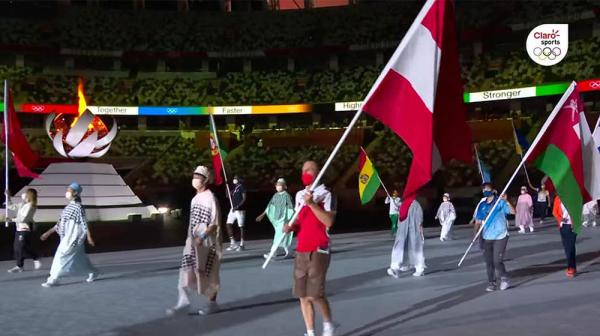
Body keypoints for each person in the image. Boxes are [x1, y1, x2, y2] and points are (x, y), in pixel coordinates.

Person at [283, 161, 337, 336]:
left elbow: (328, 222)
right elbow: (297, 221)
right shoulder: (299, 195)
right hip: (301, 249)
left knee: (315, 294)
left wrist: (312, 204)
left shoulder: (327, 194)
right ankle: (310, 332)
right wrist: (290, 226)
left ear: (318, 172)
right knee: (303, 295)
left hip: (319, 249)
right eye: (303, 170)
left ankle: (328, 324)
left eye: (309, 169)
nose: (305, 172)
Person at [167, 165, 223, 315]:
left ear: (205, 180)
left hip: (207, 243)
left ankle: (212, 304)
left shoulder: (211, 198)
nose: (195, 179)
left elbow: (215, 222)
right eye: (194, 176)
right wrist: (191, 239)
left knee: (209, 272)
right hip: (192, 242)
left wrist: (202, 236)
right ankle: (183, 302)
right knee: (185, 270)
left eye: (198, 177)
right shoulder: (195, 199)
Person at [40, 182, 98, 287]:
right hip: (67, 237)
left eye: (69, 190)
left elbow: (84, 222)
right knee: (80, 258)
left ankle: (53, 278)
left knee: (61, 256)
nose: (66, 192)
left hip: (75, 237)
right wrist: (48, 233)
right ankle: (93, 272)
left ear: (75, 193)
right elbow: (59, 223)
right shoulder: (67, 207)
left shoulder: (79, 207)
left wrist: (89, 237)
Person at [474, 183, 515, 292]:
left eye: (487, 189)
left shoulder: (499, 202)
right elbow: (478, 221)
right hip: (487, 236)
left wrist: (506, 201)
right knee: (489, 261)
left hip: (501, 235)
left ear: (493, 190)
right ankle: (491, 283)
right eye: (483, 189)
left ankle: (505, 278)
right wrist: (476, 234)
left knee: (497, 260)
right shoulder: (482, 205)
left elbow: (513, 212)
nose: (485, 191)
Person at [256, 178, 294, 259]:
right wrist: (262, 215)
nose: (278, 186)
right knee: (281, 235)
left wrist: (291, 219)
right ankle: (289, 251)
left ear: (284, 186)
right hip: (277, 219)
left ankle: (273, 252)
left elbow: (291, 208)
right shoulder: (275, 195)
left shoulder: (287, 196)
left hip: (283, 219)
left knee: (278, 236)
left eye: (280, 185)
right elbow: (269, 206)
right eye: (277, 185)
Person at [387, 198, 426, 277]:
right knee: (399, 247)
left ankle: (419, 269)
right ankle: (395, 267)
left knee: (415, 248)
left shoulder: (415, 204)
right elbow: (400, 216)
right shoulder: (404, 204)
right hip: (403, 229)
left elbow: (420, 217)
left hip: (413, 229)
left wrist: (419, 226)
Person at [5, 188, 41, 273]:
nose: (24, 195)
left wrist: (11, 220)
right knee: (17, 247)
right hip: (19, 229)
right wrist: (8, 197)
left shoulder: (30, 206)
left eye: (26, 193)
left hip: (25, 229)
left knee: (22, 247)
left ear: (30, 195)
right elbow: (11, 206)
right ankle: (19, 266)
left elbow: (23, 219)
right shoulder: (23, 204)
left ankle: (35, 258)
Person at [553, 196, 577, 277]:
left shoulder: (574, 197)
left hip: (573, 225)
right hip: (563, 226)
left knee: (570, 246)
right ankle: (572, 267)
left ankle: (571, 268)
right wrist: (560, 218)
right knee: (568, 247)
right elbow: (554, 212)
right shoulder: (558, 198)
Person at [225, 175, 246, 251]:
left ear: (239, 180)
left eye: (236, 178)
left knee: (241, 226)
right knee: (228, 224)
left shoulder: (241, 187)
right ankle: (233, 243)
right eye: (234, 178)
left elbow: (244, 198)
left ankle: (242, 244)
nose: (234, 179)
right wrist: (226, 186)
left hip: (239, 209)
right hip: (232, 209)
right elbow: (228, 196)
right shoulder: (234, 189)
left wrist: (237, 206)